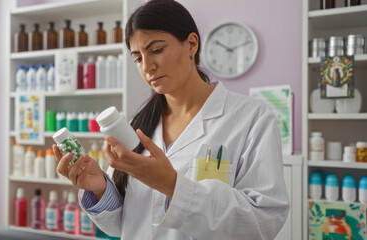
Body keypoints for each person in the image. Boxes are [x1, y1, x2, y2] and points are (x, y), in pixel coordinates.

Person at [53, 0, 289, 239]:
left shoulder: (251, 117)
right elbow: (127, 222)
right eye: (137, 58)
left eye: (156, 50)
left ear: (191, 44)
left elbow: (263, 222)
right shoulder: (140, 125)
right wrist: (100, 188)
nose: (147, 67)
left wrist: (172, 185)